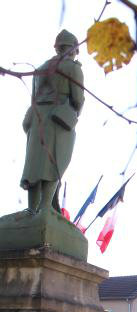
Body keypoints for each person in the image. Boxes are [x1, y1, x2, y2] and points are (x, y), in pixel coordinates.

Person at [21, 30, 84, 213]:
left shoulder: (40, 69)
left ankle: (32, 209)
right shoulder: (73, 68)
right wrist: (75, 115)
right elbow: (78, 99)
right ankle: (45, 207)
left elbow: (33, 98)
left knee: (34, 165)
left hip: (37, 117)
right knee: (56, 162)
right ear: (72, 49)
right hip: (60, 118)